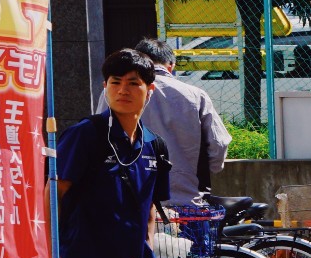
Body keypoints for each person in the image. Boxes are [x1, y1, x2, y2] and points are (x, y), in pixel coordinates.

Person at [60, 49, 175, 258]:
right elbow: (52, 194)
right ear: (105, 87)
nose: (123, 89)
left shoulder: (154, 145)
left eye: (133, 83)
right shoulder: (85, 134)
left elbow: (149, 205)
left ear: (150, 90)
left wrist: (147, 251)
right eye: (115, 82)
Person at [99, 37, 231, 207]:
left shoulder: (114, 93)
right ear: (171, 66)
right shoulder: (195, 95)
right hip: (185, 201)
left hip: (129, 200)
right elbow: (218, 145)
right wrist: (194, 174)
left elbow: (101, 139)